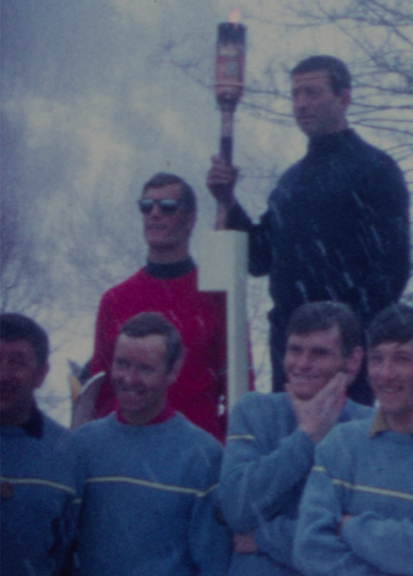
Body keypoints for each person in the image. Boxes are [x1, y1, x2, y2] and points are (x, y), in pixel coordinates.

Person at [207, 55, 410, 405]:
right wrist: (229, 202)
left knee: (341, 454)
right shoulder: (292, 182)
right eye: (296, 95)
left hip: (346, 360)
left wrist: (345, 338)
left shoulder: (375, 170)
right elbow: (259, 258)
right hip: (289, 354)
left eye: (312, 93)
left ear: (343, 98)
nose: (301, 104)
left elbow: (392, 271)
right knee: (291, 451)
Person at [294, 304, 413, 576]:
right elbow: (309, 549)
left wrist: (349, 527)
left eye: (401, 359)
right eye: (377, 359)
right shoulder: (340, 443)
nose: (385, 373)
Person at [218, 301, 372, 576]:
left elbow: (362, 541)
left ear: (352, 361)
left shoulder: (369, 428)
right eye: (295, 350)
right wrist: (307, 436)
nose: (302, 364)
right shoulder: (253, 410)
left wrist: (266, 537)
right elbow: (236, 510)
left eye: (319, 353)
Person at [73, 312, 230, 576]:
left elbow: (214, 562)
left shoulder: (203, 456)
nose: (129, 378)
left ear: (173, 371)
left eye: (145, 368)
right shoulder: (81, 446)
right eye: (122, 364)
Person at [89, 172, 233, 441]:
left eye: (167, 206)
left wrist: (222, 449)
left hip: (196, 453)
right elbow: (100, 390)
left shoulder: (218, 297)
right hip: (128, 448)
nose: (154, 213)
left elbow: (238, 388)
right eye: (146, 206)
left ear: (189, 220)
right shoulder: (115, 300)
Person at [1, 313, 81, 576]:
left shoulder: (66, 452)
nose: (3, 374)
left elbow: (67, 552)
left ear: (41, 374)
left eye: (17, 362)